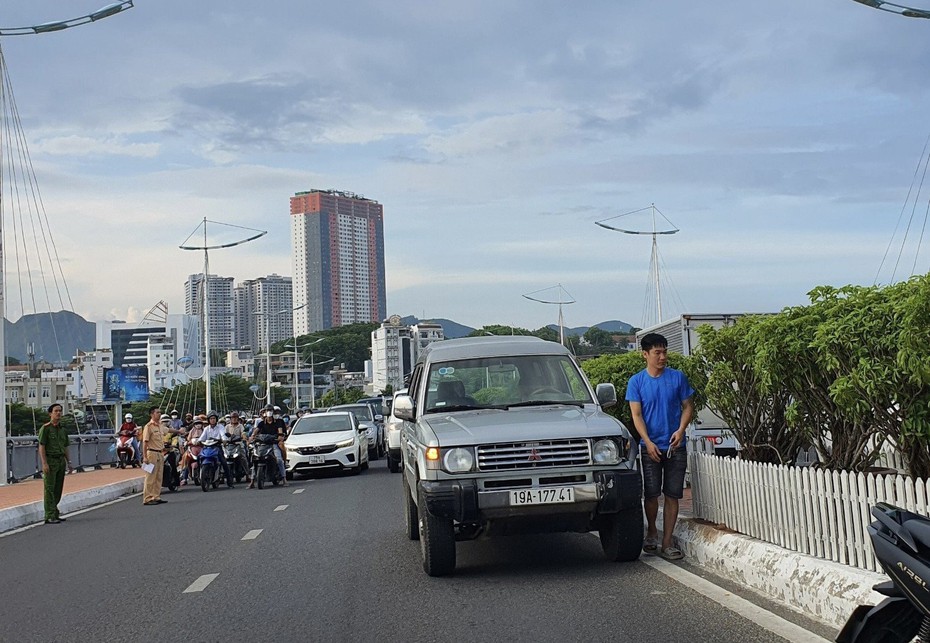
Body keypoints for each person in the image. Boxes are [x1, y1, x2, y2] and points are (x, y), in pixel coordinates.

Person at [626, 332, 695, 562]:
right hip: (650, 446)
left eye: (664, 352)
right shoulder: (636, 382)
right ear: (645, 354)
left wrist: (681, 429)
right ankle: (652, 532)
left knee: (673, 493)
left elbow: (687, 406)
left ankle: (667, 542)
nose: (662, 357)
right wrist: (647, 440)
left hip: (675, 445)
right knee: (652, 493)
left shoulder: (677, 378)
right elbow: (636, 415)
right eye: (657, 352)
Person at [38, 403, 72, 524]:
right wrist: (44, 463)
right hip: (50, 461)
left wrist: (69, 462)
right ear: (50, 413)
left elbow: (66, 446)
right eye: (56, 411)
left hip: (60, 461)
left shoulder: (63, 430)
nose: (58, 413)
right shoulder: (46, 429)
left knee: (58, 488)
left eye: (60, 411)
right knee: (49, 489)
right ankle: (49, 515)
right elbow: (41, 446)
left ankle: (55, 512)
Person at [249, 405, 287, 488]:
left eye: (270, 410)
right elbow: (255, 431)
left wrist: (280, 436)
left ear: (273, 412)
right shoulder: (262, 423)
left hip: (273, 444)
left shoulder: (278, 422)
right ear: (264, 413)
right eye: (267, 410)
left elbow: (280, 431)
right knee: (255, 460)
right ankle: (252, 481)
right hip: (263, 445)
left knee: (279, 460)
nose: (269, 412)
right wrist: (252, 437)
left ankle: (284, 479)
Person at [201, 411, 235, 488]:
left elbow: (223, 434)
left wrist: (224, 440)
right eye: (211, 418)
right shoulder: (206, 429)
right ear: (208, 420)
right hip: (207, 447)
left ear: (216, 419)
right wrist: (196, 441)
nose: (212, 420)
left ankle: (230, 482)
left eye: (214, 418)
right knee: (199, 457)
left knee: (224, 463)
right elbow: (202, 438)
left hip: (217, 447)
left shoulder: (220, 427)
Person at [142, 406, 167, 506]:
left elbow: (168, 430)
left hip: (160, 453)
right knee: (150, 477)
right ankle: (147, 498)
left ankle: (156, 496)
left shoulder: (160, 426)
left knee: (158, 476)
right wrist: (144, 457)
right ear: (152, 414)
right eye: (157, 412)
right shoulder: (148, 427)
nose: (159, 414)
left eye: (160, 412)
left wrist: (179, 431)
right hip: (151, 453)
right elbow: (145, 442)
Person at [225, 411, 251, 483]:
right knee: (223, 458)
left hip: (238, 444)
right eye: (233, 418)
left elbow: (243, 433)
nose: (234, 419)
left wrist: (244, 436)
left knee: (243, 457)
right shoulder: (227, 426)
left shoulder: (240, 426)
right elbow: (223, 435)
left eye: (235, 418)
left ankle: (247, 474)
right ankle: (221, 476)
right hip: (229, 445)